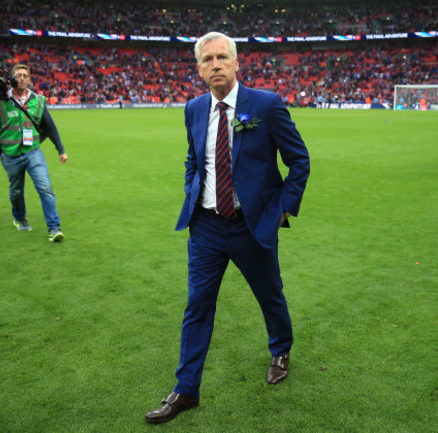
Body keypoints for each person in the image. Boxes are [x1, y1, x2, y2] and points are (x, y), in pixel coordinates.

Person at [145, 32, 310, 424]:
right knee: (197, 305)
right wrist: (192, 191)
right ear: (199, 68)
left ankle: (281, 348)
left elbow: (299, 161)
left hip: (250, 225)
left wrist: (282, 210)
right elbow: (193, 159)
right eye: (208, 59)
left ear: (237, 63)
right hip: (204, 226)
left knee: (269, 294)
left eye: (222, 57)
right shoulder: (194, 108)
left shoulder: (265, 105)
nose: (215, 64)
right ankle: (186, 390)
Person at [0, 64, 67, 241]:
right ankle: (19, 218)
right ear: (11, 79)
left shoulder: (38, 100)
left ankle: (54, 228)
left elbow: (50, 127)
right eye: (18, 75)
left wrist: (61, 150)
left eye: (24, 75)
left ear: (29, 80)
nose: (21, 78)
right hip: (9, 154)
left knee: (45, 188)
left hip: (32, 151)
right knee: (16, 191)